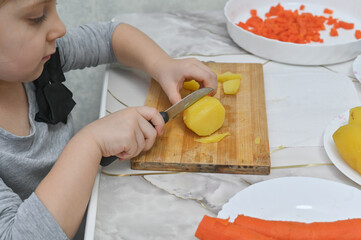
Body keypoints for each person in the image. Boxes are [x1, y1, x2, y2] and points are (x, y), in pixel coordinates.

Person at [0, 0, 218, 239]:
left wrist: (163, 64)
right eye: (37, 16)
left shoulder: (39, 60)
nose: (60, 28)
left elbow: (109, 37)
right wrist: (89, 143)